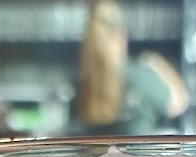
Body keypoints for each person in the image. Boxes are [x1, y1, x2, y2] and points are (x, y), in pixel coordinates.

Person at [77, 1, 188, 135]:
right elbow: (178, 102)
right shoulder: (140, 77)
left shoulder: (81, 84)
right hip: (136, 149)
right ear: (119, 34)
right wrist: (158, 63)